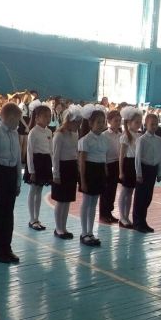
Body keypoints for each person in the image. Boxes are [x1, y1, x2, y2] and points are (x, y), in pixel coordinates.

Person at [0, 102, 23, 264]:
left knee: (9, 214)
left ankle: (6, 247)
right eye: (18, 119)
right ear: (10, 117)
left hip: (10, 175)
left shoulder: (15, 133)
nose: (19, 122)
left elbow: (18, 159)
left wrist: (18, 182)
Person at [78, 105, 108, 246]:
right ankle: (84, 233)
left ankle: (90, 232)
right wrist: (83, 180)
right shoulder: (85, 140)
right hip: (90, 171)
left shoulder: (104, 138)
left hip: (99, 171)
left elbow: (104, 157)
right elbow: (82, 162)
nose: (101, 125)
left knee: (94, 203)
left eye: (103, 122)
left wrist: (105, 171)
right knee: (86, 202)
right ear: (90, 123)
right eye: (98, 122)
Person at [52, 105, 82, 239]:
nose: (78, 126)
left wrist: (78, 168)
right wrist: (56, 174)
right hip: (62, 168)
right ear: (70, 121)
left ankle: (63, 227)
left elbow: (75, 153)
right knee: (60, 201)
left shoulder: (75, 134)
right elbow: (55, 156)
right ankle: (58, 228)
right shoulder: (59, 135)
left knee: (67, 200)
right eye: (77, 123)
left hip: (71, 168)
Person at [24, 101, 53, 231]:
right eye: (45, 116)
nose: (48, 118)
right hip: (36, 162)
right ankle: (32, 219)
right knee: (33, 190)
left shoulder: (49, 132)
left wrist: (52, 166)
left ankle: (37, 218)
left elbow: (51, 150)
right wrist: (31, 170)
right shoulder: (33, 132)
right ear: (37, 117)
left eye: (49, 116)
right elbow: (29, 152)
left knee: (39, 191)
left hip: (45, 162)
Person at [132, 113, 161, 233]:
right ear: (146, 125)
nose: (154, 127)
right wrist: (139, 174)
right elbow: (138, 158)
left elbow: (159, 157)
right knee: (140, 197)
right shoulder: (141, 139)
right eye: (152, 124)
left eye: (156, 124)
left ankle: (143, 221)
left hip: (153, 170)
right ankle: (137, 223)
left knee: (148, 197)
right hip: (144, 170)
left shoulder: (159, 140)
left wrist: (159, 173)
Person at [118, 106, 142, 229]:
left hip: (135, 164)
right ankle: (122, 217)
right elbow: (121, 156)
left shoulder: (139, 136)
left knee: (130, 192)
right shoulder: (125, 136)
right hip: (128, 164)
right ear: (129, 123)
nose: (139, 124)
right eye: (136, 122)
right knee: (125, 192)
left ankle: (127, 216)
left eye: (140, 122)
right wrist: (121, 171)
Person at [100, 110, 122, 224]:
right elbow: (103, 152)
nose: (118, 123)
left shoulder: (120, 134)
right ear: (109, 121)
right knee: (106, 191)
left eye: (119, 121)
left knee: (113, 190)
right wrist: (104, 167)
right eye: (115, 121)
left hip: (117, 163)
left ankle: (109, 212)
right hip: (108, 164)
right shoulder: (104, 135)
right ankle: (103, 214)